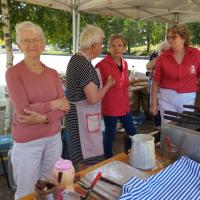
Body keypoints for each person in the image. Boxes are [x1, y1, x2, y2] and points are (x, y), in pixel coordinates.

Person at [5, 21, 70, 199]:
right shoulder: (13, 74)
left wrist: (43, 116)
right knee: (26, 191)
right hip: (27, 144)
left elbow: (65, 107)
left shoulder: (52, 73)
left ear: (43, 43)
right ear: (19, 45)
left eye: (36, 40)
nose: (32, 44)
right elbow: (23, 112)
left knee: (49, 186)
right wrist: (53, 104)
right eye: (26, 41)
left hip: (53, 139)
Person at [65, 25, 115, 169]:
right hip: (81, 120)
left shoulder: (77, 59)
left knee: (84, 159)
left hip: (82, 117)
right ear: (94, 46)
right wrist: (108, 85)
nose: (102, 47)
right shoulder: (83, 64)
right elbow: (92, 98)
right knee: (88, 162)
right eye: (101, 44)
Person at [96, 34, 136, 159]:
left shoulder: (125, 63)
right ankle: (107, 158)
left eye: (120, 45)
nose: (116, 48)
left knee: (132, 132)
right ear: (108, 48)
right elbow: (97, 88)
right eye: (113, 45)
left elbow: (124, 83)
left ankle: (129, 153)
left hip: (124, 106)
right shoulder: (101, 65)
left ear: (124, 48)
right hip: (110, 107)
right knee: (110, 134)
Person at [150, 24, 200, 124]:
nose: (170, 40)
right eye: (168, 37)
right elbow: (155, 82)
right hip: (166, 100)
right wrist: (153, 104)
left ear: (183, 38)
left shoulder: (196, 54)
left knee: (185, 130)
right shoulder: (162, 57)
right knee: (169, 132)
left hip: (188, 100)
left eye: (174, 37)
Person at [146, 41, 169, 127]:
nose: (164, 52)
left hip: (166, 93)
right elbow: (148, 66)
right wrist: (159, 59)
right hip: (156, 90)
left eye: (167, 50)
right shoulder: (156, 58)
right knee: (157, 113)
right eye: (162, 50)